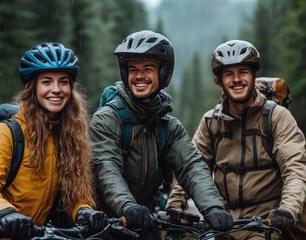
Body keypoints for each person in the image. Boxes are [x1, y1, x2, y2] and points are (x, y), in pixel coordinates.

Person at [90, 30, 233, 239]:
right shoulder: (107, 119)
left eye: (148, 69)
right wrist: (126, 205)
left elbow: (191, 166)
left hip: (143, 222)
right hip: (104, 225)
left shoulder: (167, 126)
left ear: (163, 73)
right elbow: (106, 167)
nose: (139, 76)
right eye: (133, 69)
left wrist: (213, 207)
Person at [166, 40, 306, 239]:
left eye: (243, 72)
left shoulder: (276, 117)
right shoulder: (211, 122)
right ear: (220, 81)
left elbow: (295, 167)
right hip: (224, 223)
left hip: (267, 222)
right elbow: (192, 169)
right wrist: (174, 210)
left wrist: (287, 210)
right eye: (228, 74)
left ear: (253, 75)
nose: (236, 80)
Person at [0, 42, 107, 239]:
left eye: (63, 81)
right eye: (46, 82)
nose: (56, 89)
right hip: (2, 233)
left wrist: (84, 211)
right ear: (32, 87)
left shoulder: (69, 135)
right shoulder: (7, 132)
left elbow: (75, 194)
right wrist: (5, 213)